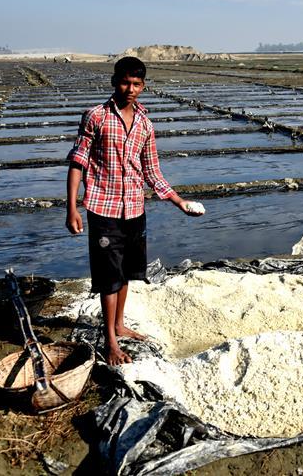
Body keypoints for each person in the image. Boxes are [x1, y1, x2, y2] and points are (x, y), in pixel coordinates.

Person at [65, 56, 203, 365]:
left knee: (126, 271)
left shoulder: (144, 124)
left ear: (143, 86)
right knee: (108, 276)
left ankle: (119, 324)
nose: (131, 89)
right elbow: (78, 162)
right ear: (115, 82)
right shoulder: (96, 117)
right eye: (126, 82)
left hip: (134, 209)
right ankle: (110, 341)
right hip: (103, 207)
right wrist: (72, 206)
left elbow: (152, 172)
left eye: (137, 84)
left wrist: (179, 202)